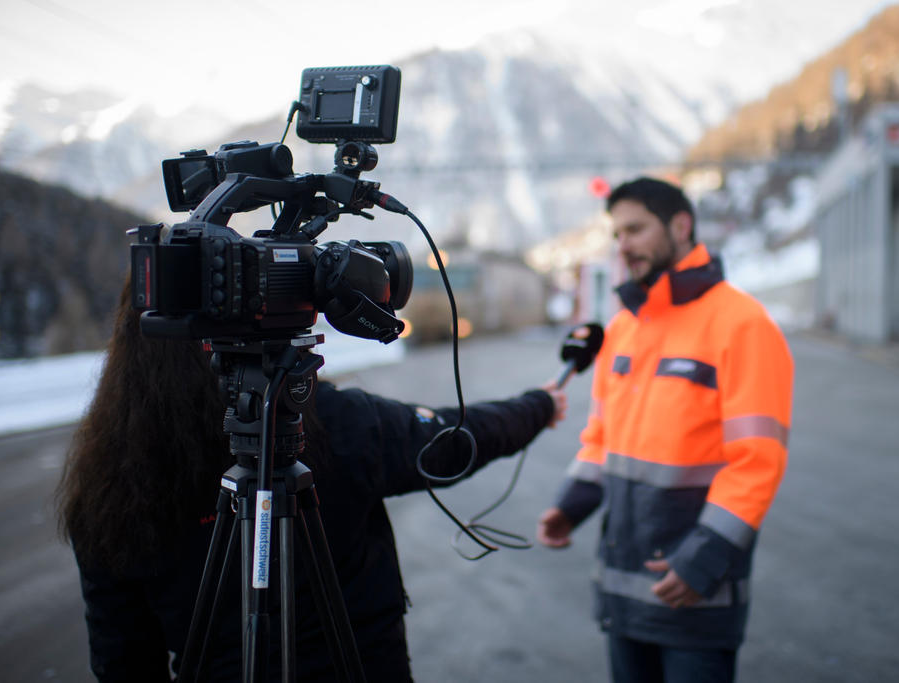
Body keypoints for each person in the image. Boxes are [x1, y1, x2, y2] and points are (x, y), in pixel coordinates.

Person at [56, 278, 567, 682]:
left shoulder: (108, 473)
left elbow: (122, 658)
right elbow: (455, 441)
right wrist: (538, 407)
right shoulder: (328, 424)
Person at [537, 177, 793, 683]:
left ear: (681, 226)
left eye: (635, 229)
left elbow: (756, 462)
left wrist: (702, 559)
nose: (624, 245)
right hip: (623, 589)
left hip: (696, 588)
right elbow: (604, 440)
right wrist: (571, 506)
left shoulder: (742, 324)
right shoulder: (625, 329)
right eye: (617, 234)